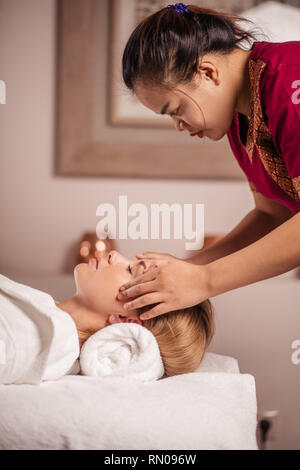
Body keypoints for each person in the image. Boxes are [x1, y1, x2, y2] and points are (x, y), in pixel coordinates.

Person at [117, 3, 300, 320]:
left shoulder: (289, 80)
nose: (179, 125)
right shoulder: (240, 115)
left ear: (207, 72)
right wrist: (188, 268)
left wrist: (204, 280)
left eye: (174, 110)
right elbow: (274, 215)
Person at [0, 250, 214, 383]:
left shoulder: (49, 339)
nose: (114, 255)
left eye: (131, 269)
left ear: (125, 320)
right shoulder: (47, 314)